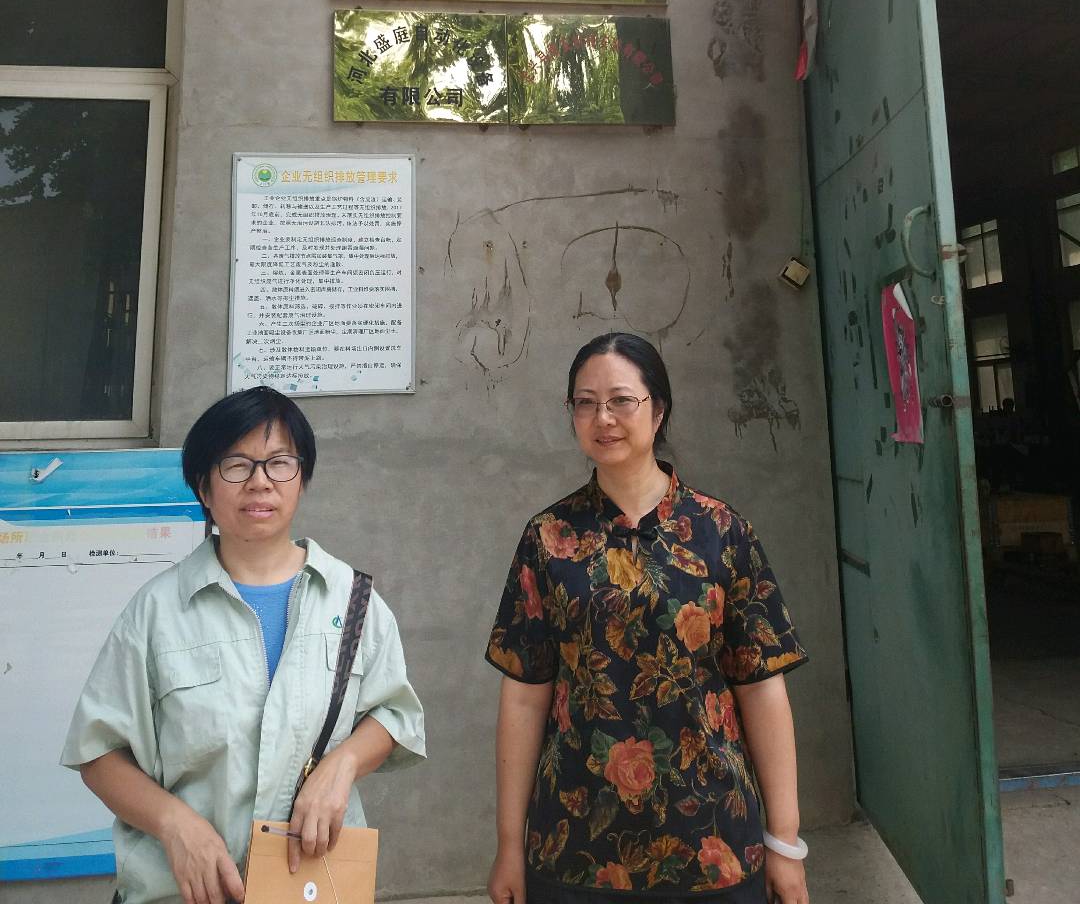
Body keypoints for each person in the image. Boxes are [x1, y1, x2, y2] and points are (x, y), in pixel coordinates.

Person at [62, 386, 425, 904]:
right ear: (204, 488)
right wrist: (174, 824)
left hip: (310, 887)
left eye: (279, 463)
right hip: (184, 891)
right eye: (236, 465)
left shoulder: (353, 601)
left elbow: (395, 715)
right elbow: (98, 753)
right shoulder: (157, 611)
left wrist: (342, 765)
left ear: (302, 478)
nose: (260, 481)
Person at [485, 334, 809, 904]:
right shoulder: (548, 538)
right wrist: (510, 845)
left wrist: (785, 844)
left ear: (658, 411)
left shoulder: (721, 532)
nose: (603, 418)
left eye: (620, 400)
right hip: (574, 846)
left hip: (714, 843)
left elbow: (762, 691)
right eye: (585, 403)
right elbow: (524, 697)